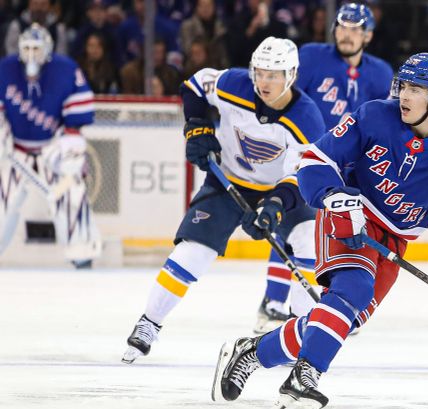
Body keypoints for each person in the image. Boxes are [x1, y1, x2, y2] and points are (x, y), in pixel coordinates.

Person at [210, 53, 428, 409]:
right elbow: (316, 159)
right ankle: (303, 380)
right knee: (353, 290)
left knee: (336, 319)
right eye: (403, 85)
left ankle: (252, 352)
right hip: (351, 216)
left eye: (417, 89)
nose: (404, 95)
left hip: (396, 238)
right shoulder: (373, 115)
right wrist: (334, 197)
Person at [121, 37, 325, 364]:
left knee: (307, 242)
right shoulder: (232, 83)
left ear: (292, 75)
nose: (264, 81)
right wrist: (198, 126)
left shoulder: (307, 118)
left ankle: (296, 335)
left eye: (274, 75)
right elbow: (195, 86)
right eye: (260, 72)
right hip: (229, 180)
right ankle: (149, 322)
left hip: (284, 191)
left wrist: (273, 206)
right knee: (193, 250)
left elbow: (302, 176)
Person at [255, 2, 394, 332]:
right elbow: (286, 98)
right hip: (311, 157)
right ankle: (273, 303)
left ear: (368, 34)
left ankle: (338, 303)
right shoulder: (313, 56)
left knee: (344, 232)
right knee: (293, 224)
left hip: (354, 166)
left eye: (356, 28)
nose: (347, 34)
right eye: (343, 26)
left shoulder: (381, 72)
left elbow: (387, 122)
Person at [0, 24, 100, 269]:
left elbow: (76, 122)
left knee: (71, 192)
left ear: (48, 49)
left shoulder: (65, 70)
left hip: (52, 149)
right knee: (2, 203)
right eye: (27, 48)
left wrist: (69, 151)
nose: (31, 54)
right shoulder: (5, 69)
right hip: (16, 151)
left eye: (36, 48)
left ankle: (82, 252)